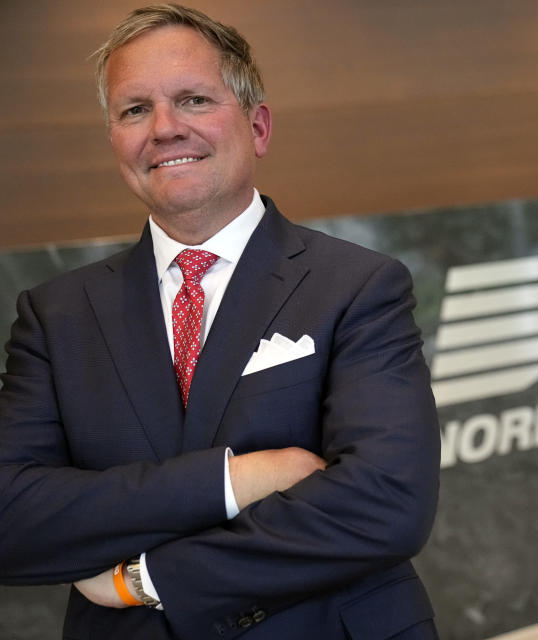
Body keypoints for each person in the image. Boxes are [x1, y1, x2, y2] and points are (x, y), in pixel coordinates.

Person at [0, 4, 440, 639]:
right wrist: (235, 479)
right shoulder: (54, 316)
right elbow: (10, 518)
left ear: (257, 127)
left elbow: (388, 503)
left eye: (194, 99)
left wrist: (144, 577)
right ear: (115, 142)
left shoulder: (358, 285)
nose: (165, 129)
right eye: (134, 110)